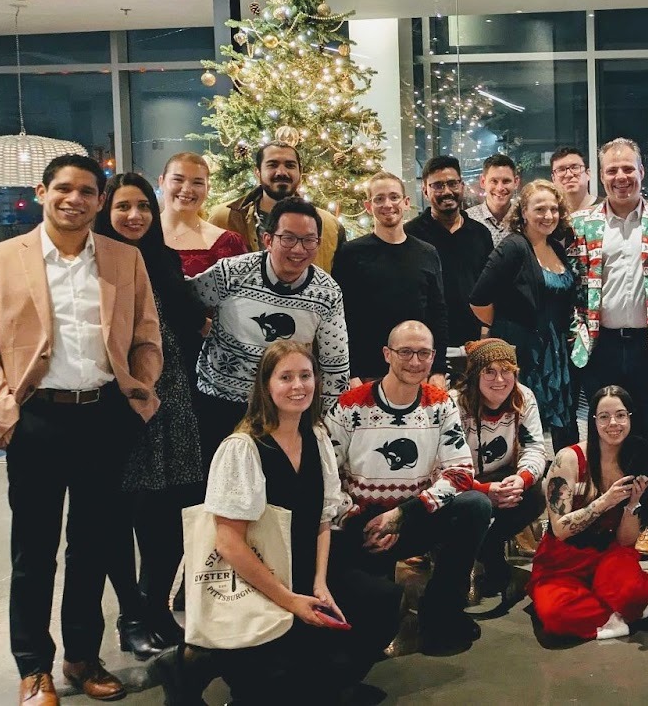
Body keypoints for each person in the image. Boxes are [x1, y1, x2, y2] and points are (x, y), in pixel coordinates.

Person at [0, 153, 162, 705]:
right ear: (42, 192)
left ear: (100, 201)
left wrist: (139, 394)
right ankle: (33, 667)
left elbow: (147, 336)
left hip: (105, 417)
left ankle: (81, 656)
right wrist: (6, 414)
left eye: (87, 192)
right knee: (34, 550)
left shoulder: (124, 259)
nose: (75, 200)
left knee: (93, 547)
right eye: (64, 189)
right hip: (37, 420)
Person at [152, 340, 399, 705]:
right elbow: (229, 543)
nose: (298, 386)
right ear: (266, 385)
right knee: (272, 685)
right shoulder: (243, 447)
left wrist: (319, 583)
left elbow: (323, 518)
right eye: (286, 377)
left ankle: (329, 682)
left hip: (301, 569)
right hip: (255, 574)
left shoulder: (315, 437)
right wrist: (289, 600)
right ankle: (188, 665)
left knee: (382, 599)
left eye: (305, 375)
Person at [325, 321, 493, 652]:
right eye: (405, 352)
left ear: (434, 357)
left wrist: (404, 514)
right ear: (387, 354)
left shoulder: (441, 403)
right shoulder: (349, 406)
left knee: (476, 505)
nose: (415, 362)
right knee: (371, 629)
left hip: (412, 516)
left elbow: (460, 471)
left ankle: (440, 608)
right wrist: (358, 519)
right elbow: (325, 476)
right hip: (362, 525)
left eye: (424, 354)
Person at [95, 173, 209, 659]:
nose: (135, 216)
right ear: (107, 211)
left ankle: (159, 606)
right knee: (123, 514)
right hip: (118, 405)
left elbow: (189, 326)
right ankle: (130, 615)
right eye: (123, 207)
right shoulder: (95, 265)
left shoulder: (163, 260)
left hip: (175, 400)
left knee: (174, 513)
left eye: (143, 206)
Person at [568, 137, 648, 556]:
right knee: (601, 431)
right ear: (601, 176)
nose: (620, 177)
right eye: (611, 171)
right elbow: (573, 287)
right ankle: (602, 515)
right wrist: (577, 332)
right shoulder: (582, 223)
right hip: (599, 345)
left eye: (628, 169)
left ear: (642, 171)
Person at [189, 197, 350, 463]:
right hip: (221, 400)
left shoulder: (327, 292)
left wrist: (320, 422)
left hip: (284, 409)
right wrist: (202, 326)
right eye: (288, 238)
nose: (298, 249)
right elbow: (185, 301)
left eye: (309, 240)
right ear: (267, 239)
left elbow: (336, 365)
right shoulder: (233, 273)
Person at [530, 386, 648, 641]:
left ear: (630, 418)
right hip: (563, 559)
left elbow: (626, 541)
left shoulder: (637, 460)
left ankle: (641, 594)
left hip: (609, 551)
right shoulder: (569, 459)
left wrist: (633, 502)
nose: (613, 423)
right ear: (593, 421)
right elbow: (559, 529)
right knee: (556, 616)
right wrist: (605, 501)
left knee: (630, 594)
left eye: (620, 415)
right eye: (604, 416)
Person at [471, 179, 580, 446]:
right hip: (524, 352)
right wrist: (506, 326)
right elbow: (478, 299)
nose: (548, 216)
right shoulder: (514, 246)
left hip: (557, 353)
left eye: (554, 209)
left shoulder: (556, 247)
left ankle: (565, 479)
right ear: (524, 213)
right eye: (540, 209)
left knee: (562, 424)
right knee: (523, 426)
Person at [448, 338, 551, 607]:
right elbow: (444, 468)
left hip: (503, 476)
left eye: (507, 371)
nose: (499, 380)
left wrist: (521, 479)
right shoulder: (454, 404)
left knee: (536, 495)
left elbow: (535, 447)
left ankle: (489, 546)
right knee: (476, 505)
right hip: (462, 486)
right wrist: (484, 491)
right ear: (475, 375)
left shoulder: (523, 396)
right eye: (489, 371)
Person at [330, 172, 450, 387]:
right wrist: (352, 372)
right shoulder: (350, 254)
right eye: (379, 198)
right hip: (367, 374)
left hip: (417, 370)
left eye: (394, 197)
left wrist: (438, 368)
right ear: (368, 206)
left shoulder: (427, 253)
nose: (388, 204)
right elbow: (341, 317)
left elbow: (437, 314)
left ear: (405, 203)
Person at [404, 155, 495, 357]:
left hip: (472, 344)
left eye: (452, 183)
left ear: (462, 186)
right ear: (425, 190)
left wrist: (485, 332)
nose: (446, 192)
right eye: (437, 185)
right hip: (424, 346)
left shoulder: (480, 233)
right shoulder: (410, 234)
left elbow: (490, 288)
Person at [207, 142, 343, 272]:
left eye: (290, 165)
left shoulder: (329, 225)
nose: (281, 172)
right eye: (272, 165)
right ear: (258, 172)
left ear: (300, 174)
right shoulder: (223, 218)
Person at [159, 152, 247, 276]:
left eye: (197, 183)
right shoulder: (138, 236)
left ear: (208, 188)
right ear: (161, 182)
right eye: (178, 179)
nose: (187, 189)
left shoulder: (229, 243)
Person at [466, 153, 521, 247]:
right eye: (494, 181)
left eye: (506, 181)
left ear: (516, 182)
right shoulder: (467, 219)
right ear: (483, 182)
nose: (500, 188)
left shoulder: (524, 219)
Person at [550, 145, 597, 214]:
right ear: (553, 179)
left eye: (575, 167)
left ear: (588, 174)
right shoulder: (551, 215)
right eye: (561, 170)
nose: (569, 174)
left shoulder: (607, 209)